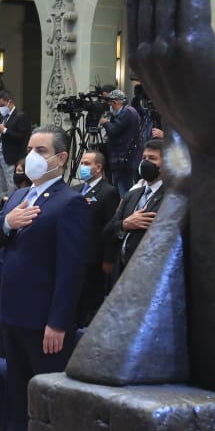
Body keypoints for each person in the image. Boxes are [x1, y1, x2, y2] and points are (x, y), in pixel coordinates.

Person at [0, 125, 89, 431]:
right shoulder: (19, 196)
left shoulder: (71, 203)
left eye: (40, 150)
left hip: (46, 321)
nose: (31, 156)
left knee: (52, 401)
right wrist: (8, 223)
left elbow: (72, 270)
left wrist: (59, 321)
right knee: (22, 397)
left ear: (61, 158)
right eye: (29, 149)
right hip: (12, 312)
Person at [104, 141, 165, 285]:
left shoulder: (170, 197)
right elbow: (107, 231)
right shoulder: (132, 194)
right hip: (122, 273)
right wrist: (125, 224)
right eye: (144, 158)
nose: (145, 162)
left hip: (150, 278)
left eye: (152, 158)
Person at [73, 148, 119, 325]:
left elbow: (110, 227)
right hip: (73, 252)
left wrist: (108, 258)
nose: (82, 167)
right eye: (82, 163)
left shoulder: (108, 192)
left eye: (87, 164)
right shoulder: (75, 189)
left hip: (93, 256)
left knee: (90, 301)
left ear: (98, 167)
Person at [99, 89, 142, 197]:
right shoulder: (129, 111)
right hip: (122, 158)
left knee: (123, 190)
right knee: (120, 188)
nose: (110, 107)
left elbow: (114, 131)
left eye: (111, 104)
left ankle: (124, 207)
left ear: (116, 102)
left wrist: (106, 123)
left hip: (123, 159)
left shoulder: (127, 112)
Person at [0, 92, 31, 198]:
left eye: (2, 105)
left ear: (9, 102)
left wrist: (4, 130)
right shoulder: (2, 117)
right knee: (1, 185)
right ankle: (2, 204)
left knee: (11, 185)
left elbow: (21, 137)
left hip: (12, 156)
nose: (1, 108)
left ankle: (12, 203)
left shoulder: (20, 116)